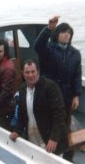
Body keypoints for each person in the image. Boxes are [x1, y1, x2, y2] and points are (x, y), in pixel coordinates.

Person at [34, 16, 82, 161]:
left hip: (66, 96)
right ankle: (47, 153)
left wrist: (76, 95)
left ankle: (67, 155)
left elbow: (76, 76)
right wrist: (48, 28)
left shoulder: (75, 53)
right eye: (63, 32)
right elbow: (38, 45)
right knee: (48, 123)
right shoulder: (48, 49)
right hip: (48, 94)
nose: (66, 34)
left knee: (64, 125)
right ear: (57, 34)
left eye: (69, 32)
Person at [9, 59, 67, 155]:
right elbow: (22, 114)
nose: (30, 75)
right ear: (22, 73)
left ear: (38, 72)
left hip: (50, 139)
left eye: (33, 72)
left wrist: (54, 138)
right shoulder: (22, 88)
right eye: (27, 72)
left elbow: (60, 115)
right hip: (33, 138)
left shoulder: (50, 87)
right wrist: (17, 131)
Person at [0, 39, 16, 131]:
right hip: (1, 109)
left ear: (5, 52)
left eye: (0, 51)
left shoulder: (7, 68)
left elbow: (7, 92)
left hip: (5, 110)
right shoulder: (0, 64)